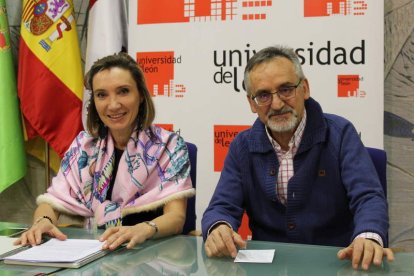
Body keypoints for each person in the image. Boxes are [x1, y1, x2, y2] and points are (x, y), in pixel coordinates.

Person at [201, 45, 394, 270]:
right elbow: (221, 207)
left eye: (286, 89)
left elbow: (368, 197)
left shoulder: (340, 134)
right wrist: (218, 227)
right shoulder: (242, 146)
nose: (277, 104)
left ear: (304, 88)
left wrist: (368, 236)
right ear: (252, 103)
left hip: (336, 264)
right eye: (263, 95)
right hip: (268, 268)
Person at [16, 52, 195, 250]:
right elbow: (52, 201)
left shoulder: (169, 146)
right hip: (98, 251)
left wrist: (143, 229)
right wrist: (43, 221)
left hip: (152, 253)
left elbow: (176, 218)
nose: (113, 104)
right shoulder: (84, 146)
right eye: (102, 95)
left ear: (141, 96)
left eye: (123, 91)